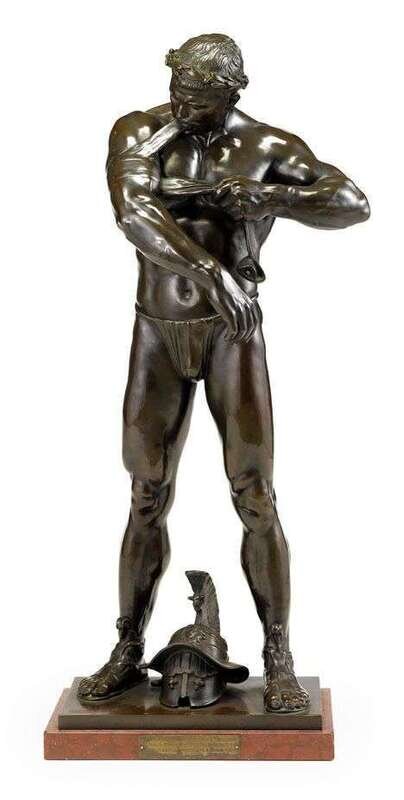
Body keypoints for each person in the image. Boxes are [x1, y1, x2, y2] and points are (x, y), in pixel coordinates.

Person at [78, 33, 369, 711]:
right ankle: (127, 646)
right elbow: (133, 211)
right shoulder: (141, 130)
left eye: (197, 99)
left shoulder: (266, 146)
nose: (181, 105)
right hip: (158, 329)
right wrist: (211, 273)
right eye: (177, 90)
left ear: (232, 93)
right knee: (146, 494)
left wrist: (268, 198)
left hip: (232, 339)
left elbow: (352, 203)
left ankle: (278, 652)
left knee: (255, 495)